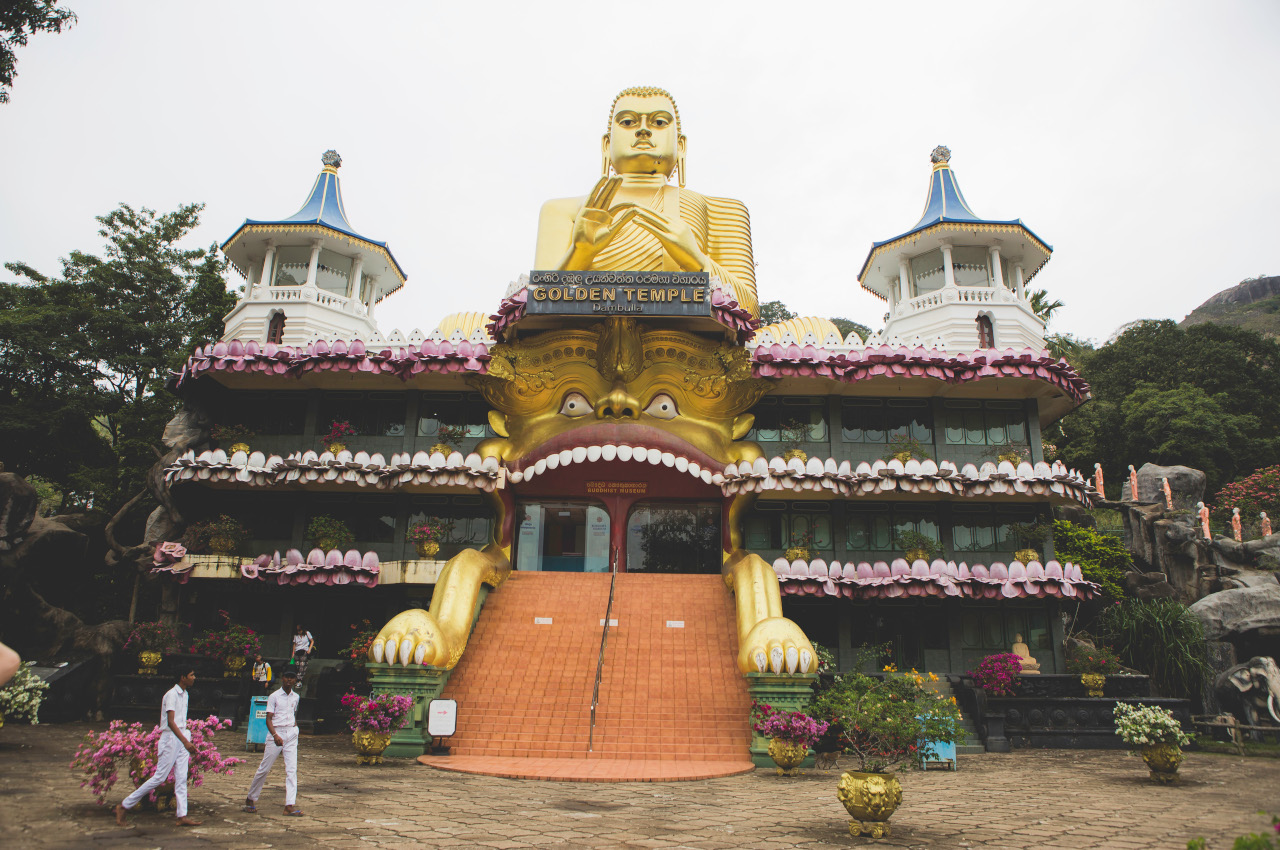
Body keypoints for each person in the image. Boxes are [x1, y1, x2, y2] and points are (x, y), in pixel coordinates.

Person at [534, 86, 759, 318]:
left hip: (686, 347)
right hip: (577, 346)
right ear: (606, 144)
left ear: (680, 146)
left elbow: (750, 310)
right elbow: (537, 301)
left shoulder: (719, 209)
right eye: (628, 122)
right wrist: (580, 253)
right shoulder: (563, 211)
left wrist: (695, 260)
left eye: (659, 122)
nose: (643, 130)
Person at [115, 665, 203, 827]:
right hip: (171, 738)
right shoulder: (171, 695)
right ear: (182, 677)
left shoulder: (185, 694)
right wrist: (185, 741)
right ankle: (124, 805)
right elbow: (170, 722)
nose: (194, 677)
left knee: (182, 778)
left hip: (183, 735)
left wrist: (186, 739)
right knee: (160, 777)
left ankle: (182, 815)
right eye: (191, 674)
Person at [243, 668, 302, 816]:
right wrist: (275, 735)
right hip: (276, 733)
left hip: (291, 733)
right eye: (287, 677)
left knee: (291, 770)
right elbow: (268, 718)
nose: (289, 680)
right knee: (264, 768)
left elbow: (293, 713)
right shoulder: (274, 696)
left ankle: (289, 804)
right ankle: (251, 798)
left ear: (295, 680)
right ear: (282, 678)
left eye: (292, 678)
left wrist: (294, 728)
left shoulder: (296, 697)